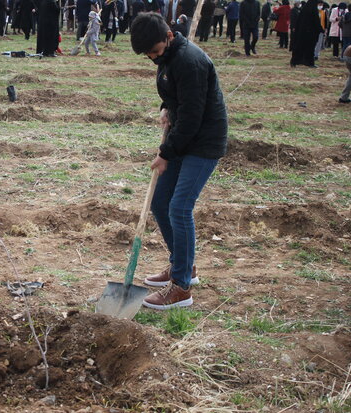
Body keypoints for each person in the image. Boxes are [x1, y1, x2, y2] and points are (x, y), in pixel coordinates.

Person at [129, 13, 227, 310]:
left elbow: (193, 117)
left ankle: (182, 287)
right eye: (148, 55)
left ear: (169, 36)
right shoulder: (169, 58)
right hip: (184, 135)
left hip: (203, 141)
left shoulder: (189, 61)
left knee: (180, 207)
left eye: (156, 52)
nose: (153, 58)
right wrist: (166, 107)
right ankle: (183, 265)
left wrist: (165, 154)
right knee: (161, 203)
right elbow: (176, 95)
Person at [290, 0, 323, 66]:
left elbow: (299, 21)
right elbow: (316, 22)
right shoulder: (313, 10)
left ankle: (295, 61)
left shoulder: (304, 9)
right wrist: (321, 29)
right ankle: (309, 62)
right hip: (310, 33)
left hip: (302, 33)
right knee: (310, 49)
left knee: (300, 47)